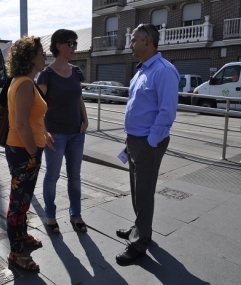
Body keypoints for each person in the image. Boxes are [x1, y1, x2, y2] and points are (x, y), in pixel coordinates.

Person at [115, 23, 179, 264]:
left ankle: (140, 242)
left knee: (143, 192)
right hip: (135, 140)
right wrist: (129, 136)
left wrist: (151, 142)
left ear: (147, 42)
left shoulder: (164, 70)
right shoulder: (142, 70)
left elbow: (167, 112)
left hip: (148, 143)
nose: (130, 44)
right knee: (136, 190)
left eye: (133, 40)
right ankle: (138, 228)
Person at [37, 29, 89, 233]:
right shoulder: (46, 75)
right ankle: (50, 215)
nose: (74, 47)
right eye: (71, 43)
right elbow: (37, 107)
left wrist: (85, 119)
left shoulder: (76, 71)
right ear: (58, 45)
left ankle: (76, 214)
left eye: (75, 43)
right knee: (52, 176)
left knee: (75, 176)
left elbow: (79, 98)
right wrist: (42, 131)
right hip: (55, 134)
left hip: (77, 132)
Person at [5, 35, 47, 271]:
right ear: (31, 57)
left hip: (25, 149)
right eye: (41, 52)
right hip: (24, 151)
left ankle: (21, 236)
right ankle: (16, 253)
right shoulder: (25, 83)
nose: (45, 56)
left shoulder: (23, 81)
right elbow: (21, 124)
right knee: (17, 203)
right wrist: (33, 153)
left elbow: (31, 118)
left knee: (23, 200)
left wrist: (44, 136)